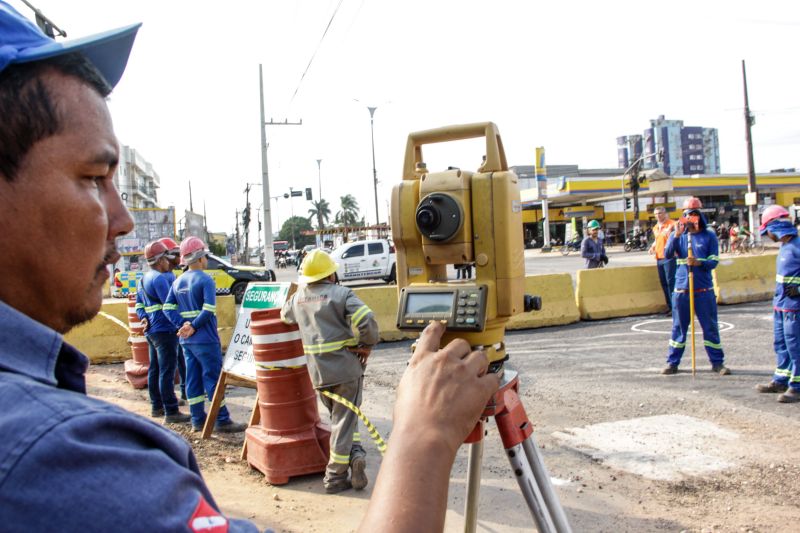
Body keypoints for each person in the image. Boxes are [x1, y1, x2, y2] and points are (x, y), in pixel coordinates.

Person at [0, 6, 500, 531]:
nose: (122, 220)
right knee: (343, 424)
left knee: (313, 418)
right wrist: (423, 436)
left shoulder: (292, 296)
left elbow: (281, 313)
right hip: (327, 369)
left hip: (300, 367)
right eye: (94, 176)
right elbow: (368, 327)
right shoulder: (58, 457)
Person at [281, 249, 380, 494]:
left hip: (318, 374)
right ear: (331, 274)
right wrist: (366, 345)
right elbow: (367, 320)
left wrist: (298, 293)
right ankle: (335, 476)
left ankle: (355, 455)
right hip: (346, 371)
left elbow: (285, 316)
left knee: (342, 419)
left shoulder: (298, 299)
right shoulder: (342, 294)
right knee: (343, 421)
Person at [164, 237, 246, 434]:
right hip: (206, 339)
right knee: (212, 379)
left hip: (187, 341)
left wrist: (182, 325)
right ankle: (222, 420)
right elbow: (208, 309)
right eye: (205, 256)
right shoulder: (205, 279)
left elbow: (167, 307)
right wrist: (192, 325)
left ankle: (197, 420)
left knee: (192, 379)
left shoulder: (178, 281)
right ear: (200, 258)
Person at [662, 198, 730, 375]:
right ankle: (672, 362)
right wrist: (675, 236)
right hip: (682, 290)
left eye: (693, 215)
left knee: (710, 327)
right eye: (686, 216)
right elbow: (667, 255)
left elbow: (714, 261)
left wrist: (700, 263)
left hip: (703, 290)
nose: (690, 219)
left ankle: (717, 363)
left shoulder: (709, 236)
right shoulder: (678, 235)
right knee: (678, 328)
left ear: (700, 216)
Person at [135, 241, 190, 423]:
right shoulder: (160, 279)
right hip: (164, 330)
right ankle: (171, 411)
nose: (169, 261)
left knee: (155, 369)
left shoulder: (143, 279)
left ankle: (156, 406)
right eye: (166, 258)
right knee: (167, 371)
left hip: (151, 330)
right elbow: (170, 305)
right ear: (160, 260)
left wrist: (143, 317)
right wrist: (182, 324)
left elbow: (139, 305)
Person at [755, 206, 800, 403]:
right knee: (781, 344)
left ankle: (797, 386)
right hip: (781, 306)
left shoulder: (797, 246)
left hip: (794, 308)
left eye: (768, 231)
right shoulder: (785, 247)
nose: (768, 235)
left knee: (795, 346)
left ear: (776, 226)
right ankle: (781, 378)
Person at [158, 236, 187, 401]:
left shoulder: (165, 276)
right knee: (171, 367)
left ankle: (164, 403)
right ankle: (170, 407)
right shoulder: (166, 278)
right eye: (176, 254)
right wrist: (182, 324)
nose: (179, 257)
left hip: (163, 328)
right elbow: (169, 305)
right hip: (170, 328)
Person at [649, 206, 677, 313]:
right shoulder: (656, 227)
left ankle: (675, 307)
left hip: (669, 257)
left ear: (665, 213)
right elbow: (658, 239)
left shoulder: (672, 224)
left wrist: (671, 230)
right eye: (656, 214)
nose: (658, 216)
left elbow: (680, 227)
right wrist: (653, 246)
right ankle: (669, 306)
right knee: (664, 283)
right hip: (659, 257)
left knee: (671, 282)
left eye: (660, 213)